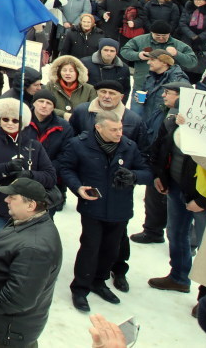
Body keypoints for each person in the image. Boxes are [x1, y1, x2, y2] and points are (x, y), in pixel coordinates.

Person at [57, 113, 151, 312]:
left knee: (111, 249)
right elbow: (65, 168)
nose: (119, 133)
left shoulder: (129, 146)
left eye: (120, 129)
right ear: (99, 128)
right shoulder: (79, 145)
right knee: (90, 247)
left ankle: (99, 281)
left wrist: (133, 176)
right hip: (93, 206)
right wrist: (78, 188)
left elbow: (147, 173)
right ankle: (80, 288)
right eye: (114, 130)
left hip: (120, 208)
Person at [0, 176, 62, 347]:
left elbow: (18, 299)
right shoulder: (26, 222)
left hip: (10, 332)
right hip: (8, 325)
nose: (6, 200)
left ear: (31, 205)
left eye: (13, 197)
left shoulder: (34, 249)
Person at [147, 78, 206, 293]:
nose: (164, 96)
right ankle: (179, 277)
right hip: (175, 188)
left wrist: (202, 200)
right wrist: (160, 177)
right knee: (176, 233)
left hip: (202, 199)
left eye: (169, 93)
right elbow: (161, 151)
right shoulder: (171, 122)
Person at [0, 97, 57, 237]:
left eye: (15, 120)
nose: (10, 123)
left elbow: (50, 176)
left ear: (22, 122)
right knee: (1, 244)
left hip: (27, 208)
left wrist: (29, 175)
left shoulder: (34, 145)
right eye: (5, 119)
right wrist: (6, 167)